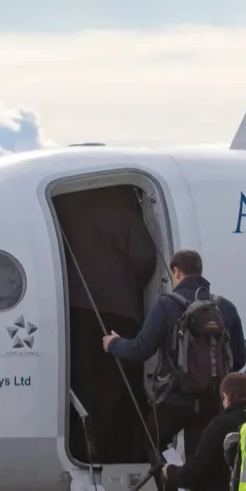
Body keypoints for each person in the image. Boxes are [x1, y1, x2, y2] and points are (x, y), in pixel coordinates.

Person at [104, 248, 246, 491]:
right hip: (211, 402)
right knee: (201, 462)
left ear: (176, 271)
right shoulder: (225, 306)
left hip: (176, 398)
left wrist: (113, 344)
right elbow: (239, 358)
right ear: (201, 271)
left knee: (153, 440)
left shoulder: (167, 305)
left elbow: (140, 349)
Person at [57, 187, 159, 467]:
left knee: (82, 387)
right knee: (118, 390)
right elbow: (144, 260)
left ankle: (83, 450)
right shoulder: (123, 215)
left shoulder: (64, 216)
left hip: (71, 313)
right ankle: (120, 455)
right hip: (118, 310)